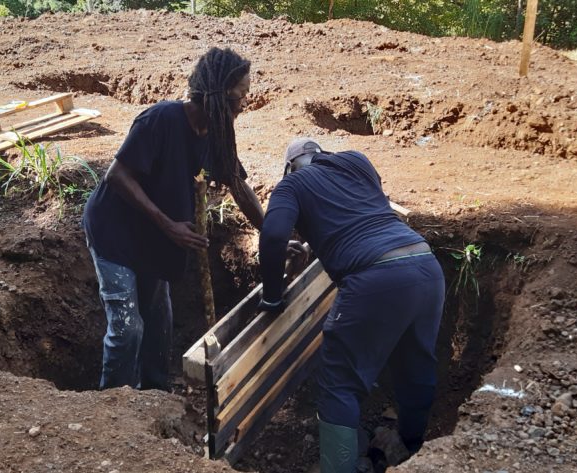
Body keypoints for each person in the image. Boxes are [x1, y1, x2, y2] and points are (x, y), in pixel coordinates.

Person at [82, 47, 267, 391]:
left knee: (160, 324)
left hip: (155, 238)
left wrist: (271, 235)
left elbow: (238, 185)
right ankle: (113, 404)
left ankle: (154, 395)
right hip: (115, 234)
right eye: (242, 94)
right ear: (223, 92)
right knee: (128, 328)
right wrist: (167, 224)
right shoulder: (161, 120)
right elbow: (117, 176)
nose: (244, 103)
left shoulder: (217, 133)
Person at [257, 139, 446, 472]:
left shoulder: (292, 184)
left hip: (373, 278)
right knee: (415, 363)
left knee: (338, 382)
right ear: (323, 155)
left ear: (290, 167)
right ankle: (413, 451)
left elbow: (272, 237)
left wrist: (272, 296)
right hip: (424, 265)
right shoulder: (357, 161)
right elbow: (354, 211)